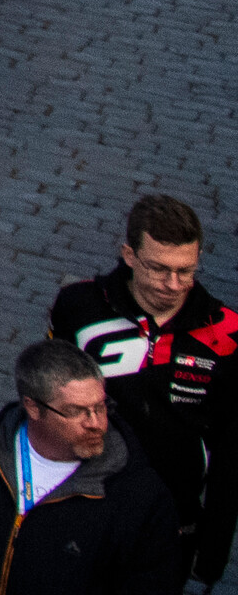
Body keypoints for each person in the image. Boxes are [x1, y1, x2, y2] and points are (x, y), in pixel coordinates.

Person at [51, 196, 238, 592]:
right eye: (159, 269)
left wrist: (214, 547)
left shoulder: (228, 335)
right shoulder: (79, 306)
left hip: (171, 524)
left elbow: (231, 451)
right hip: (82, 504)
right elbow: (48, 401)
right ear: (130, 255)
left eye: (185, 271)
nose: (173, 285)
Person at [0, 338, 188, 595]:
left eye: (100, 407)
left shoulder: (141, 498)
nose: (96, 423)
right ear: (33, 408)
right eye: (75, 411)